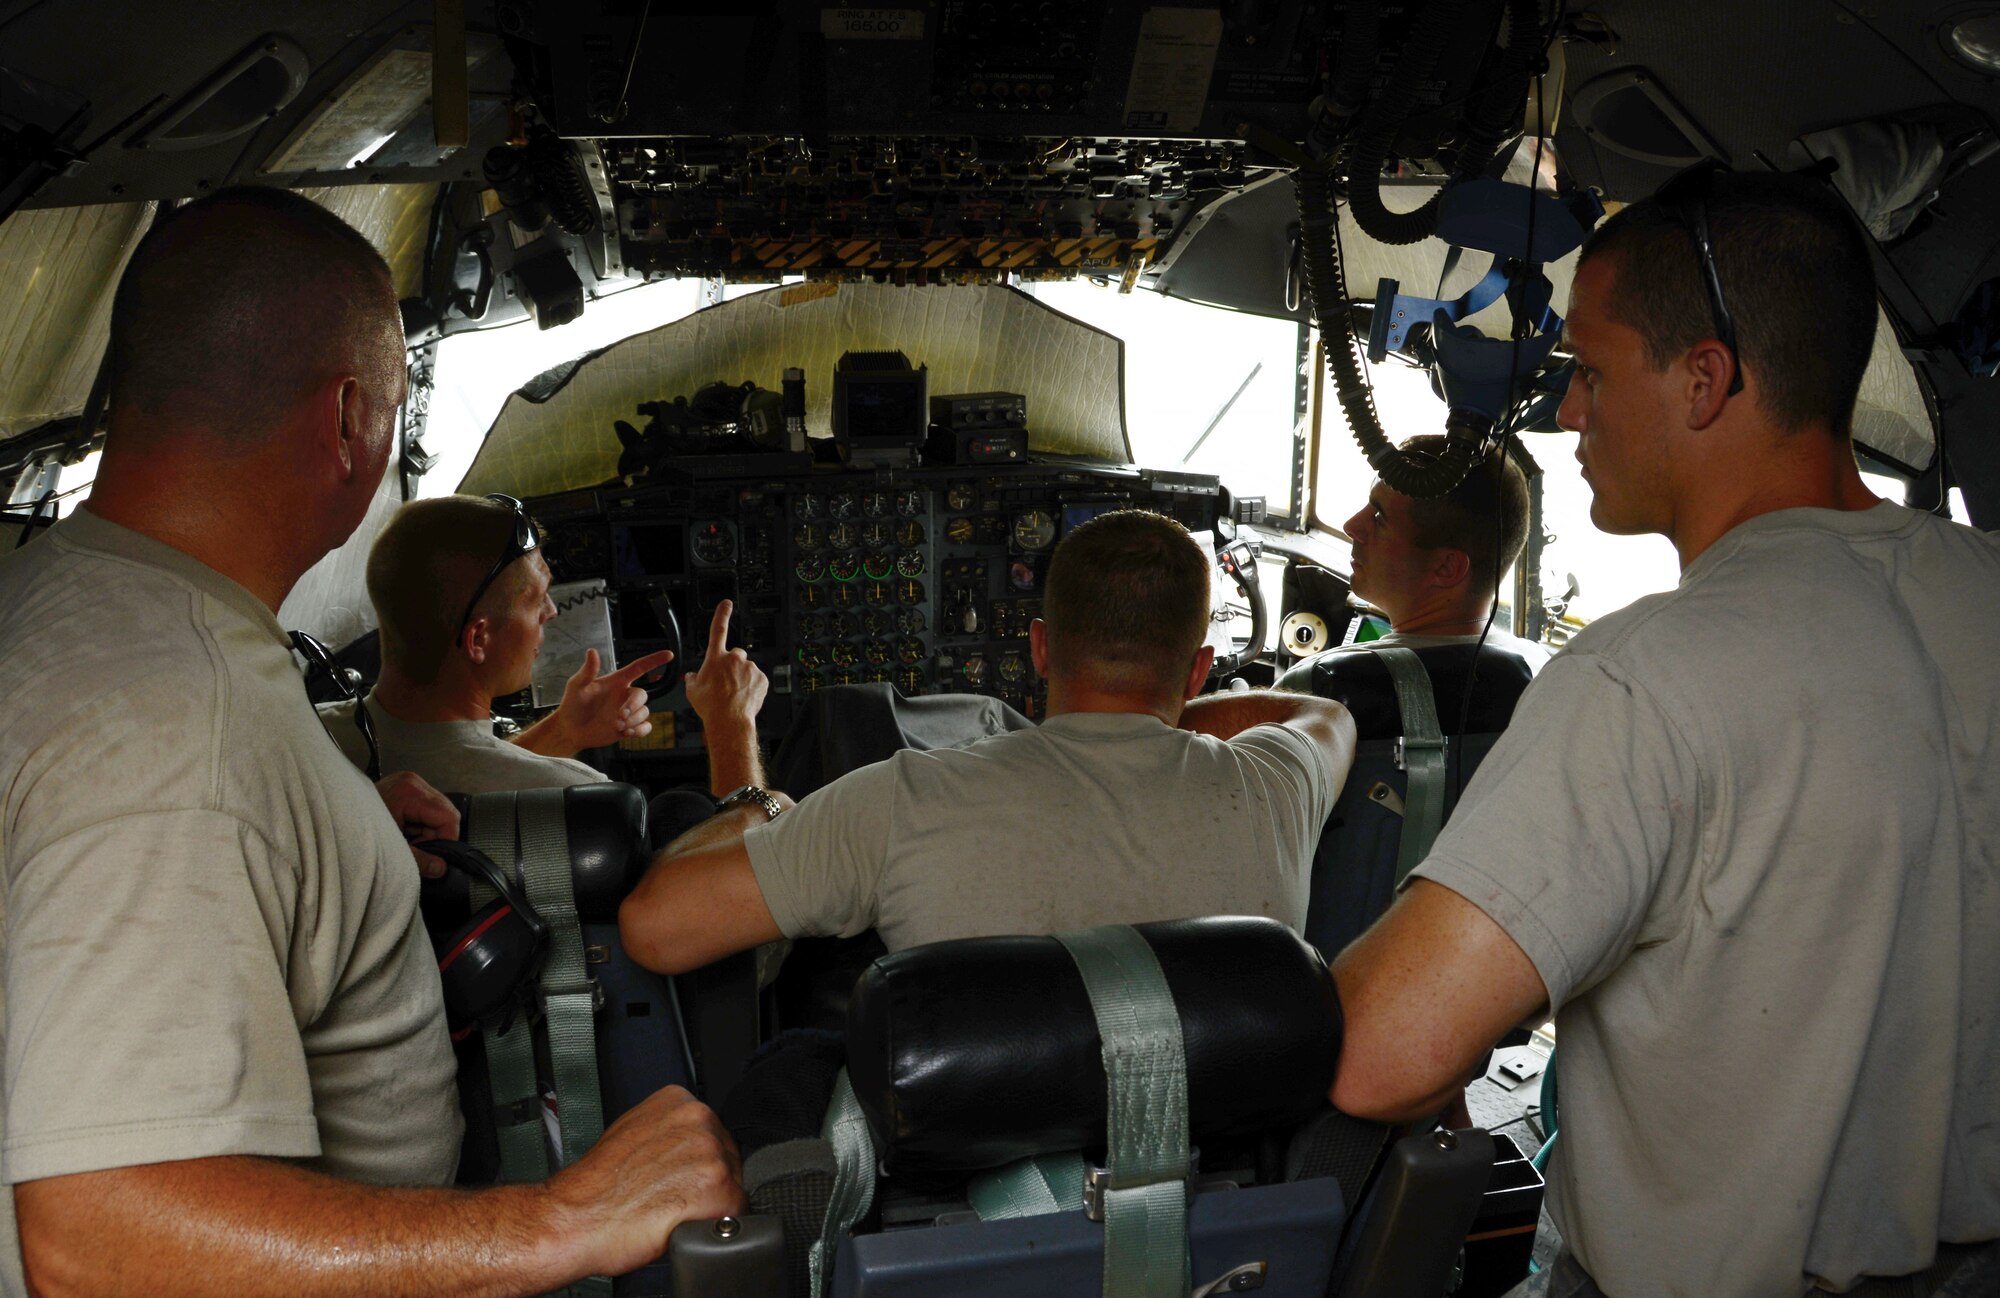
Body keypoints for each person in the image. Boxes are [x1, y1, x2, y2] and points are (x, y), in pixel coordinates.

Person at [0, 186, 739, 1298]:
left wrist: (325, 830)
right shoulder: (176, 735)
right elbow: (98, 1242)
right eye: (396, 407)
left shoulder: (65, 601)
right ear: (349, 420)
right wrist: (563, 1220)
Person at [1326, 169, 1999, 1298]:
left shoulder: (1644, 675)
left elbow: (1381, 1055)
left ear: (1704, 378)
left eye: (1588, 372)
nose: (1565, 416)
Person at [618, 509, 1357, 974]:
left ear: (1038, 648)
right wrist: (1164, 714)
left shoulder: (897, 802)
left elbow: (654, 929)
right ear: (1198, 667)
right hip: (1225, 1186)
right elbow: (1322, 716)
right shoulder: (1277, 786)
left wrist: (745, 757)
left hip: (969, 1209)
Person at [319, 493, 678, 794]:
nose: (552, 611)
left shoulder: (307, 733)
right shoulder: (571, 796)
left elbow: (461, 763)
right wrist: (729, 720)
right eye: (537, 599)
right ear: (477, 639)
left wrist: (565, 731)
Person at [1338, 435, 1546, 663]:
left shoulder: (1326, 678)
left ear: (1446, 567)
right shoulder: (1539, 664)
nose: (1351, 526)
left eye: (1378, 517)